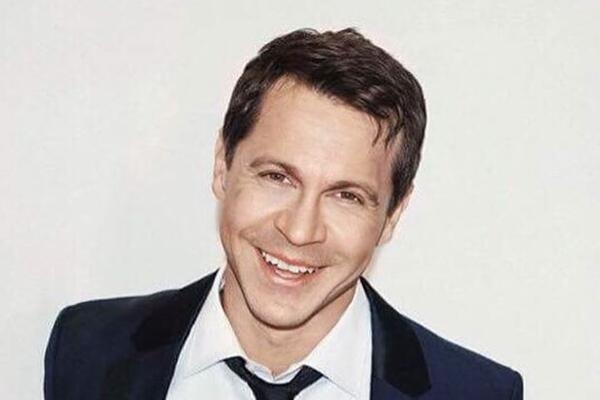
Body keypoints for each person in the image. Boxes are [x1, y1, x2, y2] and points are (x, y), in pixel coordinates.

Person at [44, 28, 523, 400]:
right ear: (222, 165)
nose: (298, 230)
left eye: (346, 196)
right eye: (277, 177)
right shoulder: (87, 349)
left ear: (393, 214)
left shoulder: (475, 393)